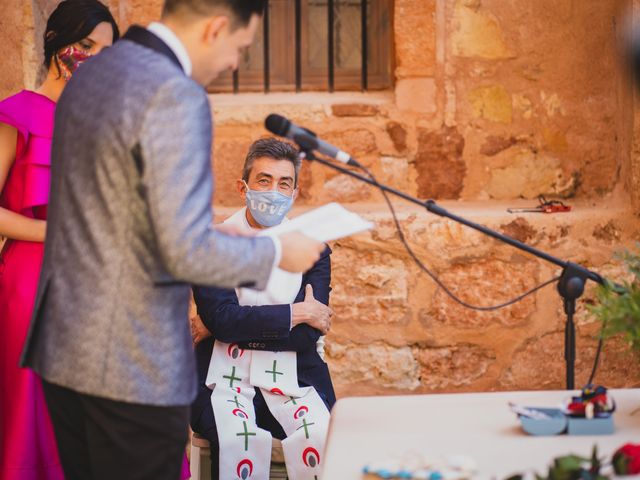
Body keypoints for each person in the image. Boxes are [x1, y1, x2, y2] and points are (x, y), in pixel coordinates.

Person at [19, 1, 325, 479]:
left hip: (63, 348)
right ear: (217, 27)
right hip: (130, 361)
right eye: (240, 47)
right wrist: (276, 252)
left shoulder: (92, 74)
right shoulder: (176, 94)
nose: (234, 63)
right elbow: (183, 250)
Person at [0, 2, 118, 479]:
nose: (93, 60)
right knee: (35, 419)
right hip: (33, 286)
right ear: (55, 41)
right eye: (85, 46)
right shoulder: (15, 113)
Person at [190, 138, 336, 480]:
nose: (273, 191)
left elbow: (303, 340)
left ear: (294, 194)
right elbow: (223, 321)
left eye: (284, 183)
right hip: (219, 383)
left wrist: (231, 321)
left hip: (295, 380)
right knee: (237, 439)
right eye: (264, 180)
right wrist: (296, 313)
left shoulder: (313, 249)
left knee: (321, 435)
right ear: (243, 188)